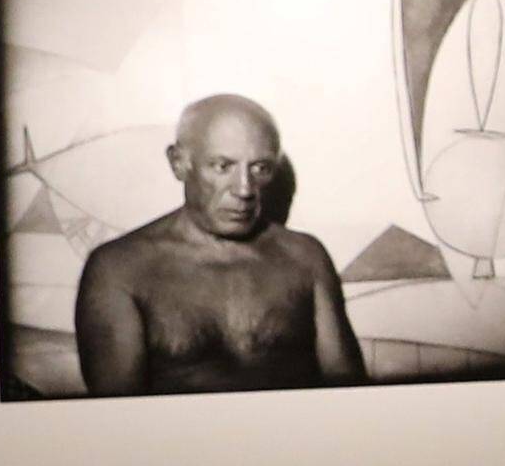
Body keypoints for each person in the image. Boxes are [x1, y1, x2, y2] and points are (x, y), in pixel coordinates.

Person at [73, 95, 363, 396]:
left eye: (260, 168)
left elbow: (348, 391)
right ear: (179, 163)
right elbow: (118, 412)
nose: (244, 189)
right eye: (223, 166)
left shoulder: (305, 257)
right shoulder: (119, 268)